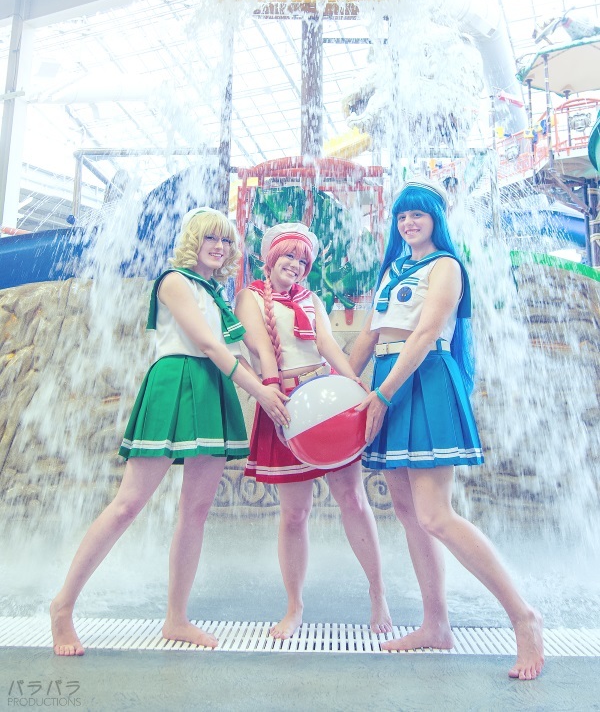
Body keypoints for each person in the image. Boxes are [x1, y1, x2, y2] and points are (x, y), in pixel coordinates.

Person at [50, 207, 288, 656]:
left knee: (195, 510)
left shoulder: (217, 294)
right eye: (210, 238)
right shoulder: (174, 280)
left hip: (211, 387)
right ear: (193, 241)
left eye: (225, 240)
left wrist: (278, 383)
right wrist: (259, 390)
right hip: (176, 381)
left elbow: (241, 348)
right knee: (127, 505)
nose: (219, 247)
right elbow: (208, 343)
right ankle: (62, 606)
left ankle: (176, 618)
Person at [349, 178, 544, 680]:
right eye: (401, 216)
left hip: (425, 379)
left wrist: (381, 394)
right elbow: (369, 337)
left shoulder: (447, 266)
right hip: (390, 380)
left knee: (435, 514)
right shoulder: (394, 270)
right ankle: (435, 624)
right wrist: (338, 389)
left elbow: (426, 333)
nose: (408, 223)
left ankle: (523, 617)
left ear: (436, 217)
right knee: (408, 513)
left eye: (418, 213)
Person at [235, 222, 392, 640]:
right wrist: (274, 397)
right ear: (271, 258)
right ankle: (294, 606)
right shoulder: (249, 297)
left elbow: (327, 347)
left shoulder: (312, 299)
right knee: (294, 514)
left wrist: (355, 386)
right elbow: (262, 350)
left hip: (325, 399)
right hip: (284, 403)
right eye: (289, 256)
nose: (296, 265)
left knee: (353, 499)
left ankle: (378, 593)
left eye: (303, 260)